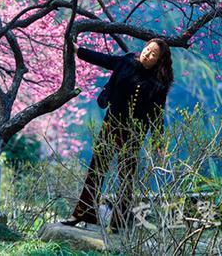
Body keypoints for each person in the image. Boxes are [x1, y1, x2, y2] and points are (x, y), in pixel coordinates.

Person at [62, 38, 173, 232]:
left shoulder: (159, 84)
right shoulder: (127, 61)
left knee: (126, 177)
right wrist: (78, 50)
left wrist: (158, 144)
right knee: (96, 169)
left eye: (153, 54)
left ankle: (118, 223)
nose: (147, 54)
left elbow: (157, 115)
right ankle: (83, 213)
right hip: (111, 125)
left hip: (134, 133)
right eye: (147, 49)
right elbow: (104, 59)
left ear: (159, 61)